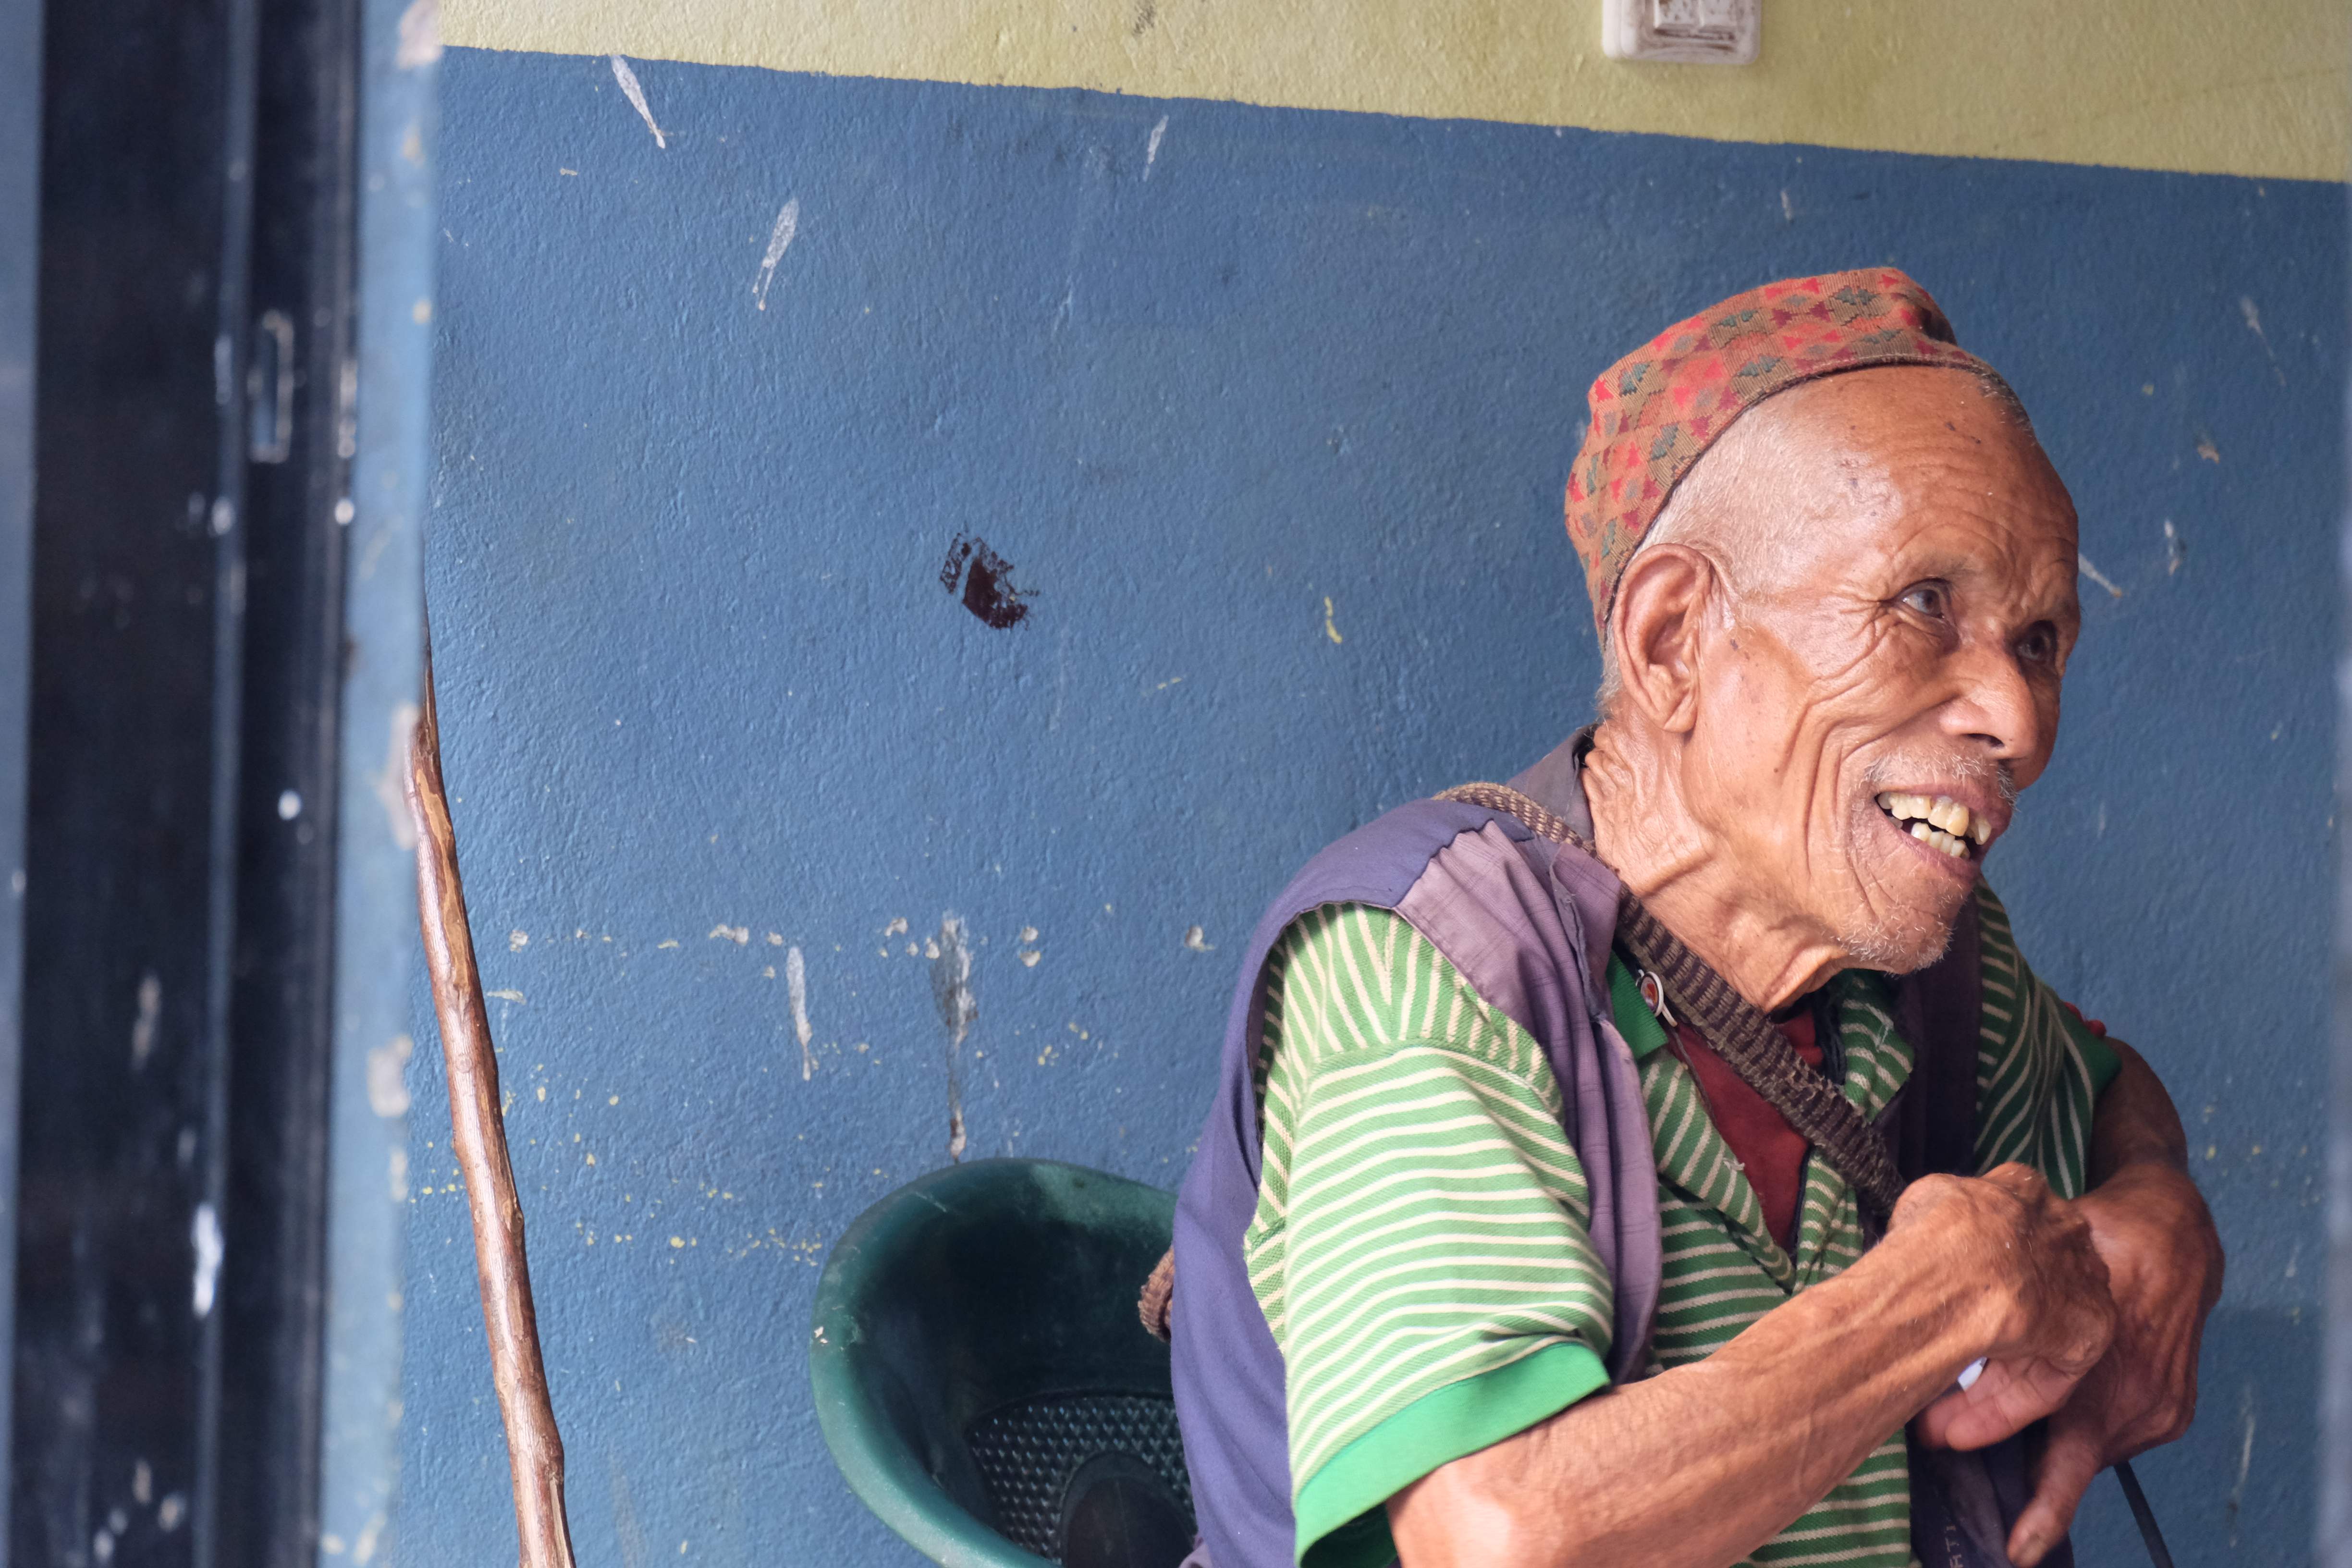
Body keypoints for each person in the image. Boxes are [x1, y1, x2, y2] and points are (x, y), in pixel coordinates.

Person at [1166, 270, 2224, 1568]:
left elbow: (2108, 1085)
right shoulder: (1428, 966)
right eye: (1924, 606)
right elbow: (1498, 1536)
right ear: (1675, 641)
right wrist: (1938, 1296)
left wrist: (2160, 1208)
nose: (2017, 722)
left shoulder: (1925, 963)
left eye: (2042, 642)